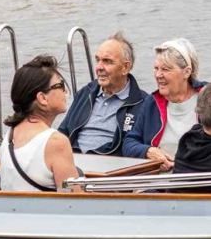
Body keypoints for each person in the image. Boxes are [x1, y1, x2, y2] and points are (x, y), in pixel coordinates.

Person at [57, 31, 161, 162]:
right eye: (97, 60)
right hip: (72, 162)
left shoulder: (143, 103)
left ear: (125, 67)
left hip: (109, 169)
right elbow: (63, 132)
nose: (99, 67)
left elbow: (137, 146)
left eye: (107, 61)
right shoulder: (86, 93)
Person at [0, 55, 80, 192]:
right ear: (42, 98)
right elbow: (75, 202)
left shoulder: (10, 135)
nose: (65, 91)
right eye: (60, 85)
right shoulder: (55, 142)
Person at [147, 39, 204, 159]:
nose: (158, 75)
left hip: (198, 174)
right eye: (156, 68)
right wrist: (148, 151)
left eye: (165, 69)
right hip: (161, 175)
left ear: (186, 72)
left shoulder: (210, 98)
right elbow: (130, 142)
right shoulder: (151, 102)